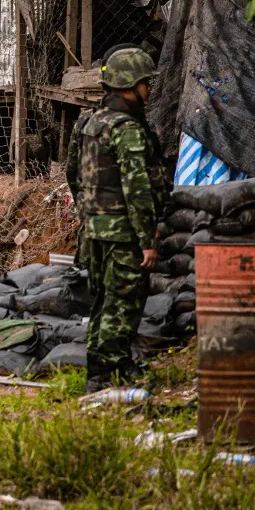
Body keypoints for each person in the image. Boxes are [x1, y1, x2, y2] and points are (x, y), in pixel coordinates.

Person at [68, 46, 167, 394]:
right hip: (124, 234)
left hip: (94, 230)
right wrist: (147, 240)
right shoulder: (127, 129)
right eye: (146, 83)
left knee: (102, 303)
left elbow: (73, 175)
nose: (149, 90)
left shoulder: (88, 122)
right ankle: (102, 377)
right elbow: (137, 189)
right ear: (131, 84)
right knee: (121, 305)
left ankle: (111, 367)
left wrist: (88, 215)